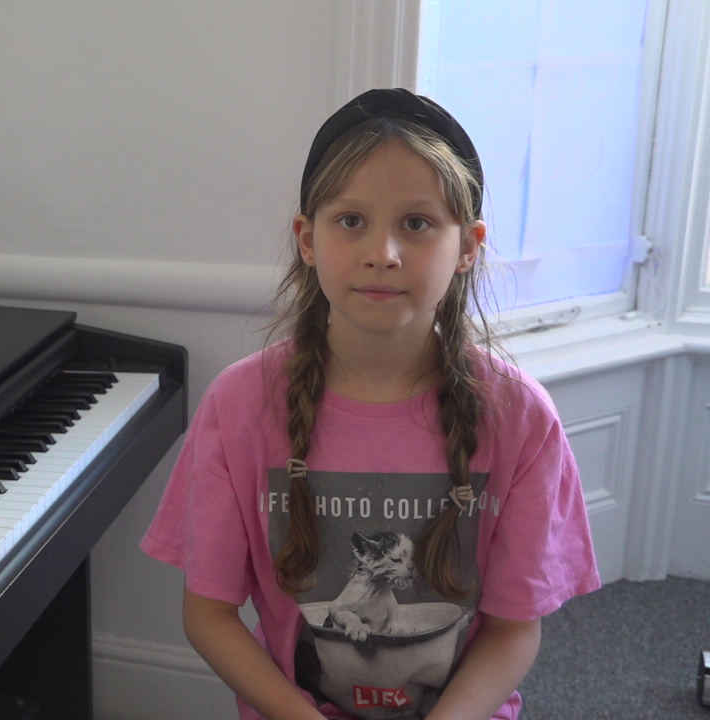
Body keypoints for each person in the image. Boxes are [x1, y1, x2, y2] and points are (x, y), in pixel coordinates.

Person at [140, 88, 600, 720]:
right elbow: (209, 615)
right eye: (350, 220)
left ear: (468, 246)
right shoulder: (239, 405)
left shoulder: (521, 419)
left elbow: (513, 629)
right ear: (307, 238)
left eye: (417, 223)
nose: (382, 253)